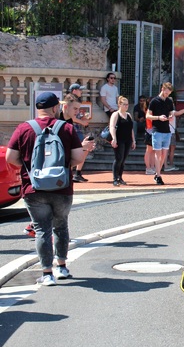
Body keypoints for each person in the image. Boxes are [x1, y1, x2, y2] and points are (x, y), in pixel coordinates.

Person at [6, 92, 94, 286]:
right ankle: (62, 267)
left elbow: (10, 158)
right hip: (61, 187)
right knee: (60, 225)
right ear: (55, 108)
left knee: (41, 229)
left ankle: (47, 273)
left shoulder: (24, 128)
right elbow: (78, 158)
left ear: (38, 108)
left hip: (33, 187)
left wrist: (29, 168)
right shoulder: (67, 128)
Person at [147, 82, 175, 185]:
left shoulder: (169, 101)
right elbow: (148, 116)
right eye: (166, 93)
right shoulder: (154, 101)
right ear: (162, 89)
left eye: (169, 94)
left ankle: (157, 173)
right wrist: (158, 117)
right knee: (158, 154)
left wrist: (171, 116)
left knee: (164, 155)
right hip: (157, 130)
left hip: (167, 130)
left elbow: (172, 112)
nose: (167, 95)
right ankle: (158, 176)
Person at [108, 96, 136, 186]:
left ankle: (120, 177)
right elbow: (112, 127)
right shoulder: (116, 114)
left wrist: (133, 140)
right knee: (118, 158)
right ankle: (115, 178)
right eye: (124, 104)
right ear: (119, 104)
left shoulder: (128, 115)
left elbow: (131, 128)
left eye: (127, 104)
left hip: (128, 139)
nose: (126, 106)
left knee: (123, 159)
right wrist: (114, 138)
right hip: (119, 139)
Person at [68, 83, 91, 183]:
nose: (81, 91)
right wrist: (82, 121)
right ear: (74, 91)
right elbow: (70, 117)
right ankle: (72, 173)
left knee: (85, 149)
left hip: (78, 129)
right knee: (78, 150)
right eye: (79, 90)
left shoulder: (78, 101)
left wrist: (83, 119)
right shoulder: (69, 101)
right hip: (73, 129)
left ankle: (77, 173)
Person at [165, 103, 184, 172]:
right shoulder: (171, 112)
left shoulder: (163, 112)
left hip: (166, 132)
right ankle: (169, 165)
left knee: (166, 150)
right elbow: (179, 113)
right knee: (170, 150)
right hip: (171, 132)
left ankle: (166, 165)